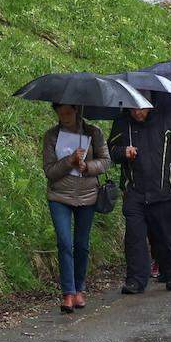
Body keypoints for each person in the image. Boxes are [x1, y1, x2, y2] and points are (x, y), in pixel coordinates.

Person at [109, 105, 171, 295]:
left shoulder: (167, 118)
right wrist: (123, 152)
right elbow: (110, 150)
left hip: (163, 192)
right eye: (133, 109)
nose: (137, 113)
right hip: (134, 192)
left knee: (164, 237)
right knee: (134, 237)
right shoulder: (122, 122)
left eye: (141, 109)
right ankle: (135, 280)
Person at [43, 103, 111, 313]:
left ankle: (80, 288)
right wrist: (69, 161)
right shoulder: (51, 136)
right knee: (64, 243)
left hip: (87, 195)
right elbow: (49, 170)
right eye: (60, 113)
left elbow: (106, 161)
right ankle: (68, 293)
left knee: (81, 244)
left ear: (76, 110)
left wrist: (87, 166)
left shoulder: (93, 132)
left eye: (68, 112)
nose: (64, 117)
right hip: (59, 195)